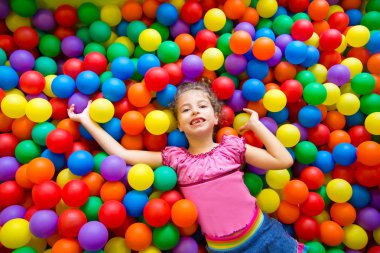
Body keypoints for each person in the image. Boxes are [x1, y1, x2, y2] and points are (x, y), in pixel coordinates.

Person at [68, 80, 308, 253]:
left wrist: (257, 126)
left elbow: (283, 160)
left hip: (265, 236)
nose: (194, 110)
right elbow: (122, 153)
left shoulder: (232, 147)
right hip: (224, 249)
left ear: (216, 117)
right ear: (180, 126)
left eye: (202, 106)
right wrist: (87, 120)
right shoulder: (177, 159)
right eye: (185, 109)